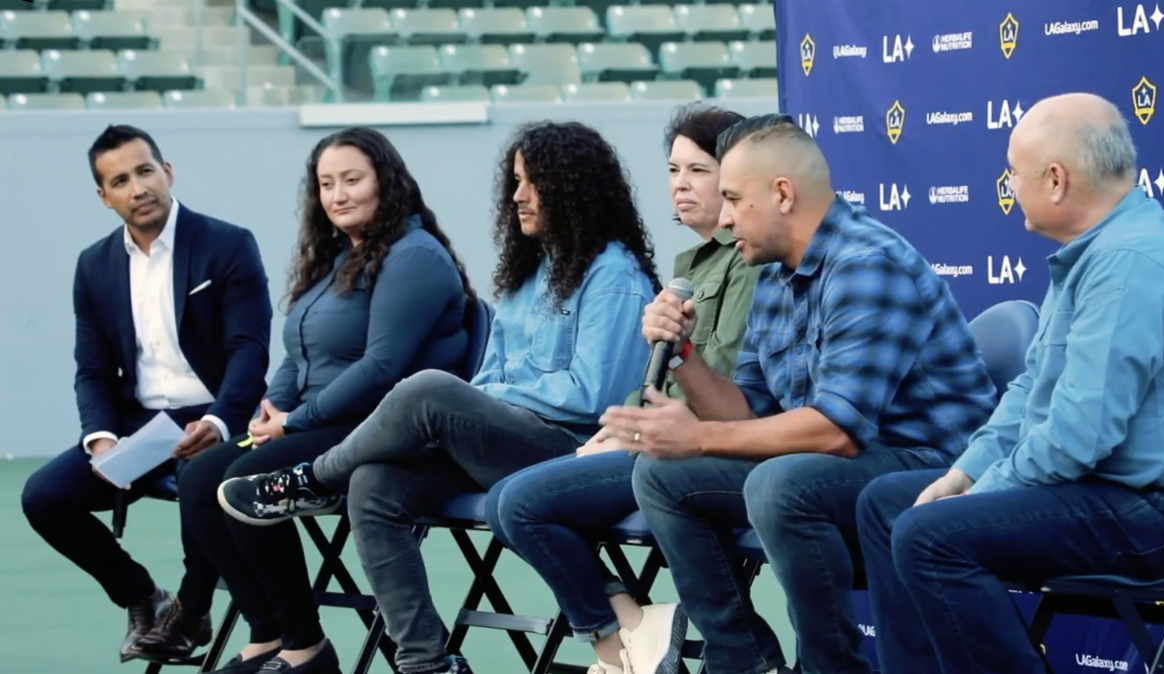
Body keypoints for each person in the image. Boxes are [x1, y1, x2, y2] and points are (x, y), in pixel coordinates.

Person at [216, 121, 661, 674]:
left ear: (572, 188)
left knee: (429, 390)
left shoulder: (615, 276)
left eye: (532, 183)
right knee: (374, 485)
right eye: (515, 182)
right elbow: (490, 379)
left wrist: (489, 399)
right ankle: (425, 661)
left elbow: (590, 396)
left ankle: (311, 479)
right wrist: (489, 400)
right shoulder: (528, 277)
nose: (516, 196)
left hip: (570, 452)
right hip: (501, 442)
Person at [600, 114, 998, 674]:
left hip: (929, 468)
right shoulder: (775, 273)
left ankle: (830, 667)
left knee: (781, 483)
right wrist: (685, 357)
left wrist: (699, 436)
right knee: (662, 474)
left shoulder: (866, 264)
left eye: (735, 198)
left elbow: (837, 429)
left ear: (783, 194)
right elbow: (748, 412)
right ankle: (743, 662)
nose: (726, 215)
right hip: (840, 465)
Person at [856, 92, 1164, 674]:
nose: (1008, 183)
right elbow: (1027, 394)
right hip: (1102, 491)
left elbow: (1078, 435)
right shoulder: (1093, 255)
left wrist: (987, 487)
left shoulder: (1130, 265)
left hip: (1160, 513)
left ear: (1057, 179)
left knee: (929, 536)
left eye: (1013, 171)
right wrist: (963, 473)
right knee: (884, 504)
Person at [167, 126, 475, 674]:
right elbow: (298, 355)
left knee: (246, 479)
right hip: (314, 423)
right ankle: (268, 634)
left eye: (352, 180)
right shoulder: (338, 258)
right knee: (198, 480)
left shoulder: (415, 257)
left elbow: (382, 367)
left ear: (388, 180)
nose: (337, 195)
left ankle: (306, 647)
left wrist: (296, 420)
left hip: (379, 429)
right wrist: (270, 411)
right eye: (326, 183)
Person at [482, 103, 760, 674]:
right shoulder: (692, 265)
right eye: (673, 170)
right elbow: (652, 380)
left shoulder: (748, 264)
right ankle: (628, 642)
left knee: (516, 499)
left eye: (698, 171)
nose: (680, 184)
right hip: (652, 442)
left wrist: (629, 431)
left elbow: (721, 389)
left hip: (701, 452)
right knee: (498, 497)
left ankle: (626, 644)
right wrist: (621, 425)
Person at [20, 124, 272, 663]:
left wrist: (223, 422)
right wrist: (102, 440)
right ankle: (141, 596)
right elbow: (91, 369)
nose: (137, 188)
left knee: (198, 477)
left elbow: (250, 352)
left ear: (168, 172)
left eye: (145, 171)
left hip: (217, 414)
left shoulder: (228, 244)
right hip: (142, 425)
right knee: (44, 497)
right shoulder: (93, 266)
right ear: (103, 196)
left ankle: (190, 612)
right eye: (120, 180)